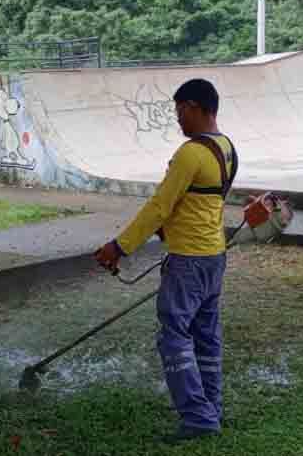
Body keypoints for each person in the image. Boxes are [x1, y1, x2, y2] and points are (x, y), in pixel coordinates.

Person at [95, 78, 238, 444]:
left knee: (174, 337)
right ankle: (211, 408)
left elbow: (159, 206)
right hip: (213, 257)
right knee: (205, 337)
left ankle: (197, 416)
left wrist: (119, 247)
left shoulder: (190, 153)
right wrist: (166, 231)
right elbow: (197, 205)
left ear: (197, 107)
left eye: (180, 111)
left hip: (188, 261)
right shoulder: (227, 149)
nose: (178, 119)